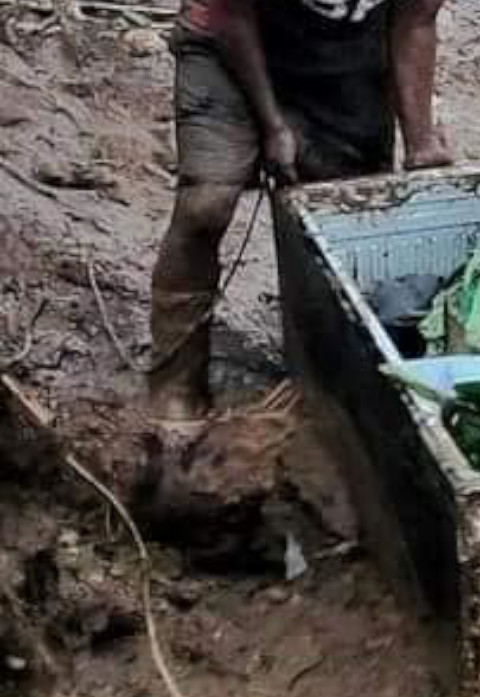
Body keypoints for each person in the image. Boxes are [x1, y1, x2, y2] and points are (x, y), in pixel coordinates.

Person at [149, 0, 452, 422]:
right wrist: (273, 126)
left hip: (343, 55)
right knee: (206, 205)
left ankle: (324, 380)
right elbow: (232, 16)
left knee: (350, 220)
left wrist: (422, 144)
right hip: (223, 38)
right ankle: (175, 382)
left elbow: (415, 20)